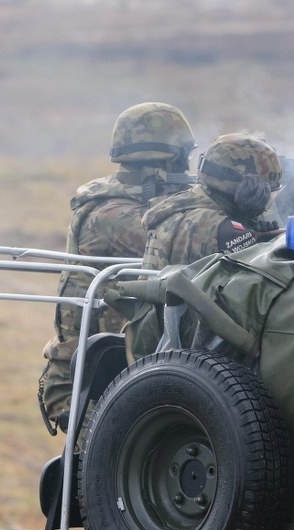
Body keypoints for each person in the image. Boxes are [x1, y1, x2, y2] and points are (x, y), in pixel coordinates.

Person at [38, 102, 196, 434]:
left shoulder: (142, 203)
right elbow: (182, 241)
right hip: (86, 385)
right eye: (183, 158)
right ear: (163, 162)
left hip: (118, 370)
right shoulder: (110, 214)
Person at [140, 132, 283, 272]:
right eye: (266, 195)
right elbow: (267, 264)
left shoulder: (180, 205)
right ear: (247, 189)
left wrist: (251, 226)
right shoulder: (213, 225)